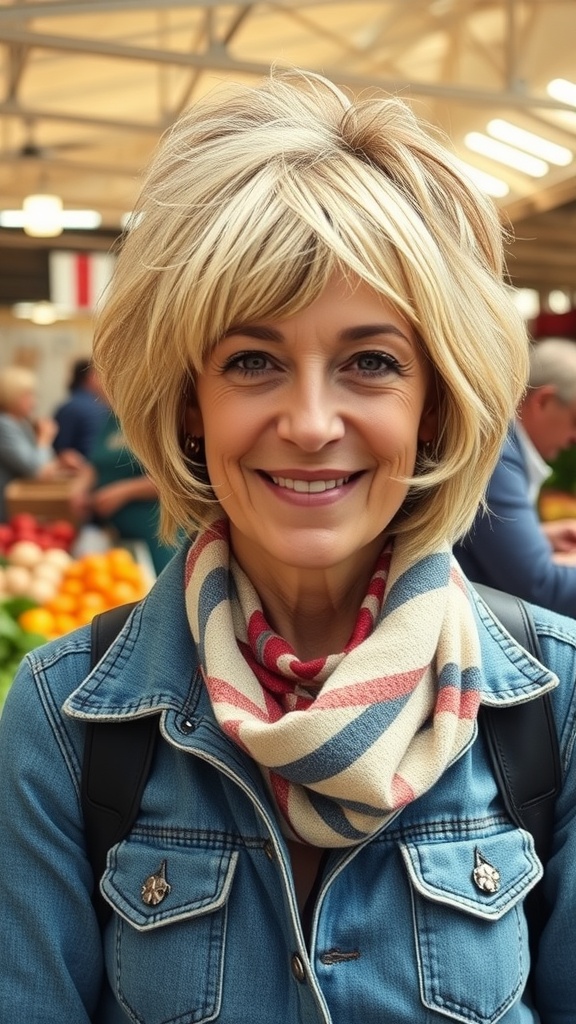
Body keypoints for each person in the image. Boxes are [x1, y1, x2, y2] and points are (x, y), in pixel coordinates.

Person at [0, 68, 575, 1024]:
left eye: (371, 363)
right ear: (192, 403)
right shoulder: (69, 720)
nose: (310, 422)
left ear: (435, 402)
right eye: (253, 361)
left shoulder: (552, 708)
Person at [455, 336, 576, 615]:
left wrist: (538, 537)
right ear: (543, 400)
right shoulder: (498, 453)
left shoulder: (502, 444)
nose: (574, 438)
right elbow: (541, 586)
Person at [0, 364, 82, 521]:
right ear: (11, 395)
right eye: (28, 395)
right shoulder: (4, 424)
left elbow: (45, 465)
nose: (34, 401)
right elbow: (38, 470)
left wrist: (59, 463)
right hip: (7, 511)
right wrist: (45, 437)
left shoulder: (20, 423)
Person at [53, 357, 108, 458]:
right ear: (91, 377)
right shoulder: (95, 407)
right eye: (101, 375)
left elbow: (60, 447)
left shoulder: (68, 407)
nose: (105, 381)